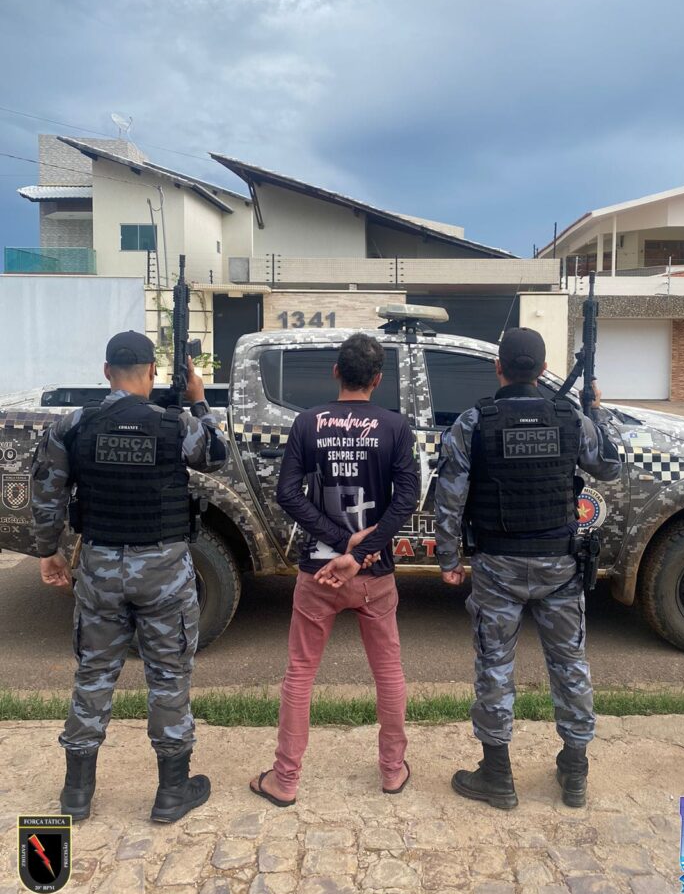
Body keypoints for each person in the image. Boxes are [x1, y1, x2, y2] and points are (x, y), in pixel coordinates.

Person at [32, 331, 228, 823]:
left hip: (100, 569)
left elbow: (48, 493)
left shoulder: (74, 425)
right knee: (169, 678)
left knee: (93, 675)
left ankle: (76, 795)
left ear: (106, 372)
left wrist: (49, 552)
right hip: (164, 572)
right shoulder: (176, 423)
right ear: (153, 373)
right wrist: (198, 400)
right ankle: (171, 793)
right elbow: (217, 455)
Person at [434, 327, 621, 810]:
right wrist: (596, 410)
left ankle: (498, 776)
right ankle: (575, 772)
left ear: (498, 367)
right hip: (560, 564)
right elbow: (610, 466)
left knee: (494, 666)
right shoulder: (571, 418)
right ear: (543, 370)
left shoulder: (475, 421)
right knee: (571, 665)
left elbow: (449, 498)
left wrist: (450, 560)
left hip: (497, 566)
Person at [250, 333, 419, 806]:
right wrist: (359, 549)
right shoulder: (394, 427)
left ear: (336, 372)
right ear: (378, 380)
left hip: (319, 572)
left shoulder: (308, 423)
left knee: (300, 673)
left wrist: (336, 541)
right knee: (388, 671)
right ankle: (392, 771)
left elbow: (287, 493)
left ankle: (285, 779)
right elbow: (408, 497)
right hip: (373, 573)